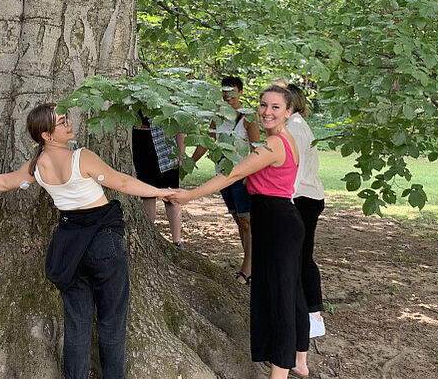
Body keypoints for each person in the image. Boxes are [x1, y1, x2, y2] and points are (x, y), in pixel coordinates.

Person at [0, 103, 172, 379]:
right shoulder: (80, 157)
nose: (69, 123)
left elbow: (3, 183)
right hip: (103, 241)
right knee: (112, 319)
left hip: (69, 245)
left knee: (77, 322)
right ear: (47, 135)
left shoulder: (37, 166)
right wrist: (161, 191)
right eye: (61, 122)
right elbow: (120, 182)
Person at [170, 85, 309, 379]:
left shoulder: (274, 146)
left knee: (280, 296)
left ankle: (279, 373)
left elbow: (232, 174)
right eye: (263, 105)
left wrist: (189, 195)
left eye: (275, 107)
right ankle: (299, 360)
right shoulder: (280, 139)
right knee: (290, 291)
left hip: (277, 222)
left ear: (288, 111)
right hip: (277, 219)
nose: (266, 112)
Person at [191, 76, 260, 284]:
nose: (227, 95)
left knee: (247, 221)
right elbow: (206, 142)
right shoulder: (218, 117)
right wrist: (189, 162)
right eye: (224, 91)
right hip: (222, 175)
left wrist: (252, 176)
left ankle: (247, 270)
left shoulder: (248, 117)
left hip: (241, 175)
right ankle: (249, 263)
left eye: (231, 91)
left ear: (240, 92)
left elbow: (256, 149)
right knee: (239, 220)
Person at [286, 83, 326, 339]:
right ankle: (307, 312)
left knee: (303, 256)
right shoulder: (294, 126)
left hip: (303, 198)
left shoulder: (296, 128)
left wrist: (286, 202)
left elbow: (295, 171)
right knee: (299, 255)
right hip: (304, 197)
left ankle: (314, 316)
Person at [132, 113, 185, 248]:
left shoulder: (168, 100)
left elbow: (179, 127)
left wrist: (181, 153)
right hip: (142, 149)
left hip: (166, 153)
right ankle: (148, 239)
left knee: (171, 197)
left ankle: (177, 241)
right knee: (147, 196)